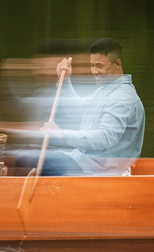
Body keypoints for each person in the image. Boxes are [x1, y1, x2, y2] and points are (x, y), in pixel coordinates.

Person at [12, 38, 145, 176]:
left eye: (99, 66)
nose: (94, 71)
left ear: (117, 64)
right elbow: (78, 112)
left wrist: (62, 134)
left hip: (98, 170)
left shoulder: (122, 98)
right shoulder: (105, 90)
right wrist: (65, 81)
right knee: (26, 150)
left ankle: (23, 189)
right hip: (82, 160)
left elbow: (104, 138)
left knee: (27, 157)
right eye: (92, 65)